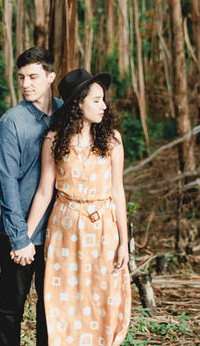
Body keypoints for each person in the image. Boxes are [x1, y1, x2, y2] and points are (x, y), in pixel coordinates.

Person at [24, 68, 131, 346]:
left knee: (103, 298)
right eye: (96, 100)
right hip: (65, 230)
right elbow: (44, 191)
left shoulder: (112, 139)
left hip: (103, 228)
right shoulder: (54, 139)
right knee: (65, 301)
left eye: (103, 99)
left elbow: (117, 191)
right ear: (78, 104)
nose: (103, 106)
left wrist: (124, 242)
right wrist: (24, 237)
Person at [0, 47, 61, 346]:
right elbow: (6, 184)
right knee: (11, 308)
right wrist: (20, 238)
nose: (26, 84)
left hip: (58, 232)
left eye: (33, 77)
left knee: (52, 308)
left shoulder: (67, 114)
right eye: (21, 77)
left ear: (50, 77)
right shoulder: (11, 123)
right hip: (19, 232)